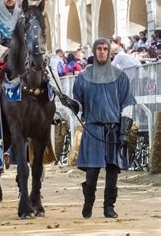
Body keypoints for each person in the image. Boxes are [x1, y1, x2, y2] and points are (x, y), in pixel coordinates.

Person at [59, 38, 136, 219]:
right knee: (92, 171)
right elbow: (79, 104)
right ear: (94, 51)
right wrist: (70, 104)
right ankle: (88, 203)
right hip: (93, 129)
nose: (102, 52)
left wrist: (125, 130)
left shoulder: (120, 76)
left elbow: (127, 104)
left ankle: (109, 207)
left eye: (105, 49)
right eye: (99, 49)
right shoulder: (83, 77)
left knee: (112, 170)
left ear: (109, 52)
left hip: (114, 129)